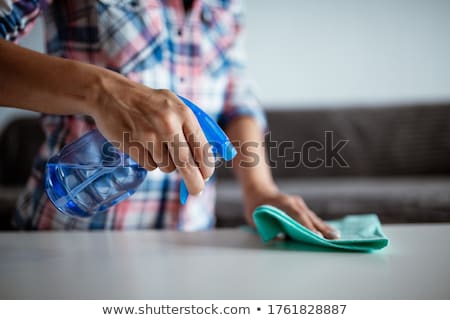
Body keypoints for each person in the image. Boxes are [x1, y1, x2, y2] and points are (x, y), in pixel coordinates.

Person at [0, 0, 339, 238]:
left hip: (189, 245)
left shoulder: (228, 5)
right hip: (68, 243)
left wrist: (260, 190)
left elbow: (237, 103)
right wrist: (103, 92)